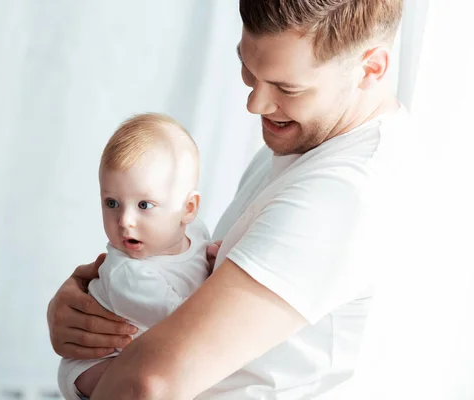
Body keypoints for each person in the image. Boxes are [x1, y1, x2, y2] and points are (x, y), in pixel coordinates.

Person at [47, 1, 409, 398]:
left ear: (371, 67)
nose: (255, 104)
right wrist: (92, 303)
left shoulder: (342, 190)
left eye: (287, 88)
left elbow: (148, 383)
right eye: (249, 71)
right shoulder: (302, 148)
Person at [57, 113, 211, 399]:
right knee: (151, 384)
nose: (125, 220)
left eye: (144, 204)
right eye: (112, 203)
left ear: (188, 209)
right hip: (95, 365)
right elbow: (188, 323)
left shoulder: (198, 233)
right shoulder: (128, 274)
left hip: (137, 351)